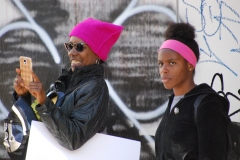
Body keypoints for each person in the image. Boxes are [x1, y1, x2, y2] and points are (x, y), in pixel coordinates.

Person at [10, 17, 123, 159]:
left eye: (79, 47)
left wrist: (44, 102)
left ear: (97, 53)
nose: (71, 53)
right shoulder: (65, 82)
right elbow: (41, 125)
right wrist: (24, 97)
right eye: (69, 46)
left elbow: (73, 139)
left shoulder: (95, 88)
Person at [155, 22, 230, 160]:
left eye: (172, 63)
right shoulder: (173, 102)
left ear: (190, 65)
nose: (163, 69)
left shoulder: (207, 104)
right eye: (161, 63)